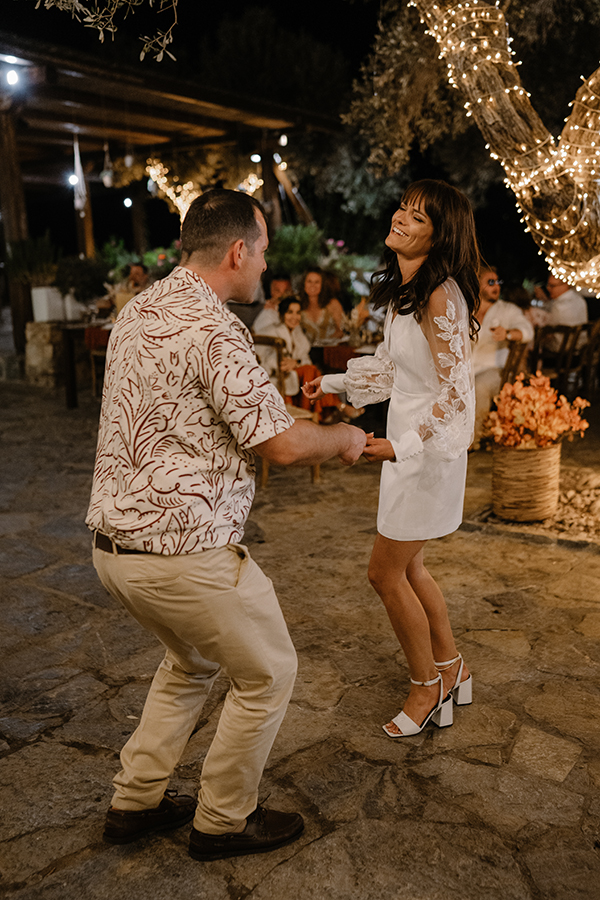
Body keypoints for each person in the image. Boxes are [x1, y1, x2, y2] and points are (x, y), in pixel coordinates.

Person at [86, 189, 366, 860]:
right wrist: (346, 438)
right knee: (268, 672)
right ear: (238, 251)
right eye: (264, 251)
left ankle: (136, 801)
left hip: (113, 550)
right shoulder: (214, 328)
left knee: (191, 660)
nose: (265, 265)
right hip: (183, 553)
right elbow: (282, 445)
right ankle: (223, 821)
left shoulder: (138, 311)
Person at [303, 179, 479, 738]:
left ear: (439, 236)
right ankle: (453, 668)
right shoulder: (407, 292)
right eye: (403, 209)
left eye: (418, 217)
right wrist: (327, 383)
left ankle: (426, 685)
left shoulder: (440, 294)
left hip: (426, 450)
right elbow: (391, 370)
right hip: (410, 447)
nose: (401, 218)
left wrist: (401, 446)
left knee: (384, 572)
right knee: (409, 566)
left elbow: (455, 392)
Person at [471, 267, 534, 445]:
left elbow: (527, 331)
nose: (496, 286)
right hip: (465, 369)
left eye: (498, 282)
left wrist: (508, 333)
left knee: (479, 386)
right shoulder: (465, 309)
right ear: (477, 284)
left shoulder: (508, 309)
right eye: (490, 282)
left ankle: (473, 442)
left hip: (495, 371)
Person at [255, 295, 315, 400]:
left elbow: (306, 359)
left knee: (311, 371)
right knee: (310, 371)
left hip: (295, 375)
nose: (294, 317)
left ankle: (321, 409)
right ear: (281, 314)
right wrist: (284, 365)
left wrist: (296, 363)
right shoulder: (271, 332)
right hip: (273, 376)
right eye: (290, 312)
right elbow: (260, 358)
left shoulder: (298, 333)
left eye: (298, 313)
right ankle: (333, 408)